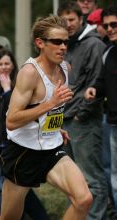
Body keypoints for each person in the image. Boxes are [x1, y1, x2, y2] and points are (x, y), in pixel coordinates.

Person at [0, 15, 93, 220]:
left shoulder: (65, 69)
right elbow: (12, 120)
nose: (63, 47)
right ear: (40, 43)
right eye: (57, 42)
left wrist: (53, 127)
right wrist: (50, 103)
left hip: (52, 149)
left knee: (84, 199)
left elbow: (50, 111)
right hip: (23, 153)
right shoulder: (29, 73)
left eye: (66, 42)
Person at [0, 49, 50, 220]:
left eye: (7, 63)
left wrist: (7, 89)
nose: (3, 67)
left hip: (14, 144)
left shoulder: (21, 82)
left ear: (13, 65)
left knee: (18, 187)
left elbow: (16, 114)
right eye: (0, 64)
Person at [58, 2, 108, 219]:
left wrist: (81, 114)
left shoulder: (93, 44)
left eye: (71, 20)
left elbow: (98, 82)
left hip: (83, 121)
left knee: (92, 179)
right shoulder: (66, 45)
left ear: (80, 19)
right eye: (64, 20)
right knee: (73, 181)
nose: (67, 24)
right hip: (64, 121)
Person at [84, 4, 117, 217]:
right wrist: (94, 88)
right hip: (113, 123)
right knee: (115, 178)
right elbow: (103, 80)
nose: (110, 29)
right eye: (106, 26)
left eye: (114, 24)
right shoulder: (109, 52)